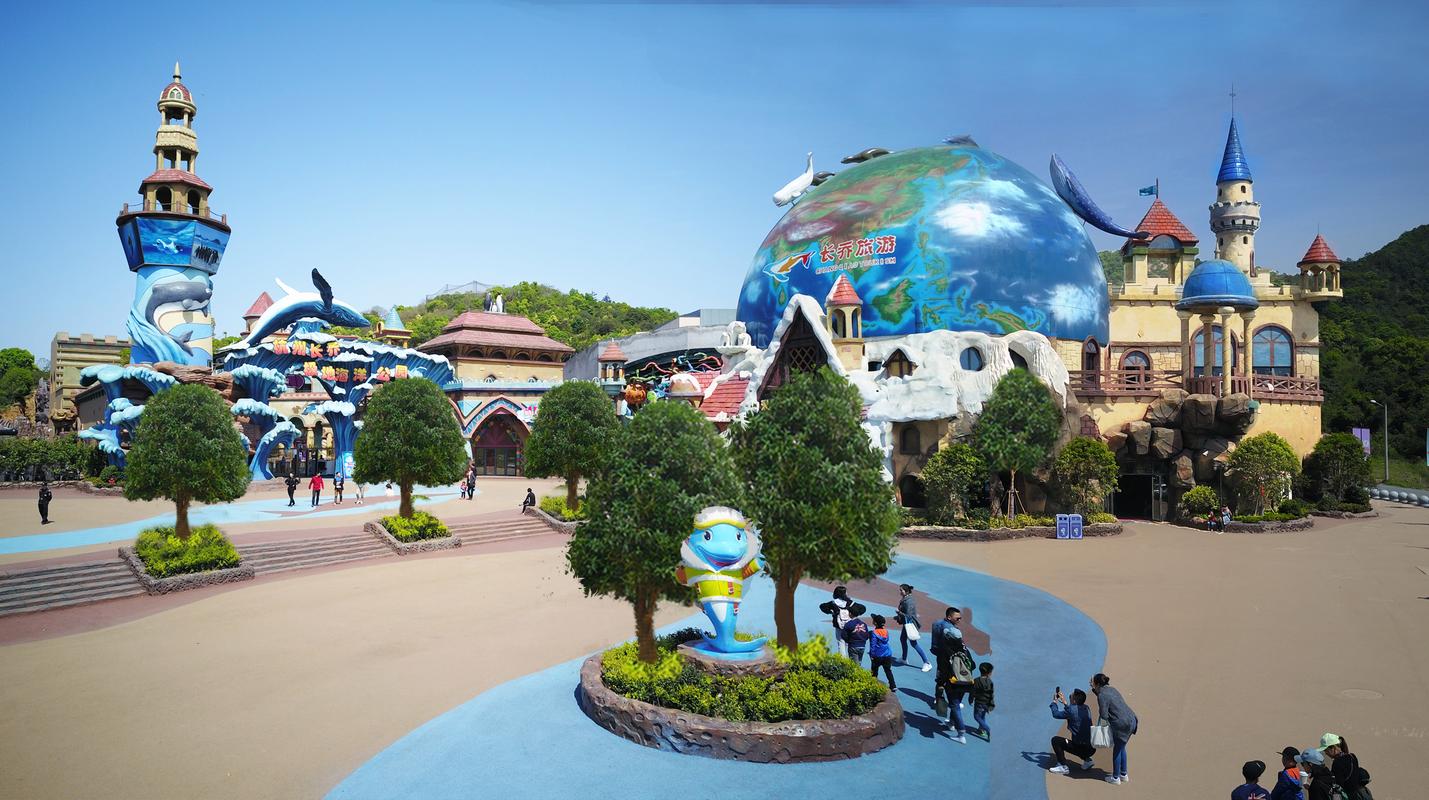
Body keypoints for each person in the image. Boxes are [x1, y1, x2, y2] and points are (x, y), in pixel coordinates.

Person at [1091, 673, 1137, 785]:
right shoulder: (1112, 689)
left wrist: (1103, 727)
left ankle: (1115, 777)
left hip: (1122, 725)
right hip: (1132, 720)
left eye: (1093, 683)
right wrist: (1095, 691)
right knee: (1121, 747)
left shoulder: (1102, 695)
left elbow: (1104, 715)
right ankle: (1123, 774)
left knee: (1117, 750)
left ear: (1097, 684)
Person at [1048, 688, 1097, 774]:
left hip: (1081, 748)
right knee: (1081, 741)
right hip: (1092, 748)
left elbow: (1056, 714)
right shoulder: (1086, 708)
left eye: (1071, 696)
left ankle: (1062, 766)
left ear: (1074, 701)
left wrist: (1054, 702)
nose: (1070, 695)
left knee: (1056, 740)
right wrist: (1065, 703)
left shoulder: (1071, 711)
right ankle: (1088, 760)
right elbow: (1073, 711)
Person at [930, 606, 965, 711]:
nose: (959, 620)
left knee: (940, 679)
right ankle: (954, 701)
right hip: (951, 658)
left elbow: (935, 640)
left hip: (940, 655)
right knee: (954, 679)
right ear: (949, 617)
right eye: (957, 618)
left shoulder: (936, 623)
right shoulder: (954, 631)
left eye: (960, 618)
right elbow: (960, 647)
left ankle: (938, 699)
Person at [896, 583, 933, 672]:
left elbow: (909, 616)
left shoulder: (909, 601)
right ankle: (904, 658)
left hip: (911, 624)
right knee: (902, 639)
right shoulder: (906, 598)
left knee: (914, 643)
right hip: (907, 624)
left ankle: (927, 663)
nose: (900, 592)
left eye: (901, 590)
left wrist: (899, 613)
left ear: (906, 591)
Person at [819, 586, 855, 657]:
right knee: (850, 643)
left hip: (839, 626)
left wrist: (830, 612)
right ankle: (852, 659)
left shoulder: (833, 603)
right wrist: (853, 614)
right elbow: (862, 608)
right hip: (849, 626)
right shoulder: (850, 603)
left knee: (841, 643)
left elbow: (822, 606)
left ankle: (843, 660)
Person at [868, 614, 896, 691]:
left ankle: (873, 685)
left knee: (874, 671)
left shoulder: (874, 632)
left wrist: (871, 655)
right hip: (887, 654)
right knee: (888, 670)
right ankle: (893, 685)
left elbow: (873, 645)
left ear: (875, 623)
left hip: (877, 655)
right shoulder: (886, 631)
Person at [969, 662, 995, 740]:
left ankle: (987, 729)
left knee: (977, 716)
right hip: (987, 703)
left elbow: (972, 692)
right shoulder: (990, 682)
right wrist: (991, 706)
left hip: (979, 703)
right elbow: (991, 694)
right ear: (989, 673)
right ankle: (981, 730)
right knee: (982, 716)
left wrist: (970, 699)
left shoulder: (976, 681)